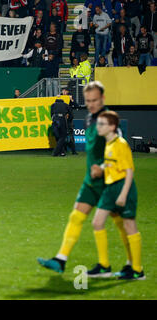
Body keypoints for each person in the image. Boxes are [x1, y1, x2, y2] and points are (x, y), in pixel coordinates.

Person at [38, 81, 132, 275]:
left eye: (94, 100)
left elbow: (118, 150)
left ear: (102, 99)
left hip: (110, 179)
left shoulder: (108, 120)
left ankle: (132, 265)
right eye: (88, 100)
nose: (90, 103)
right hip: (93, 180)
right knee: (77, 216)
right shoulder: (91, 119)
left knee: (121, 223)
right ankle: (61, 259)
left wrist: (105, 167)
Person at [88, 110, 144, 280]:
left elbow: (129, 171)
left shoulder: (121, 144)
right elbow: (111, 162)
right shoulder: (109, 144)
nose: (98, 127)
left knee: (129, 227)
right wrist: (101, 169)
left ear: (112, 126)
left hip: (122, 187)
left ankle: (137, 269)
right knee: (97, 223)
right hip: (110, 188)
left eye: (102, 124)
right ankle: (104, 266)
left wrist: (123, 194)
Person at [61, 87, 78, 155]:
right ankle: (63, 150)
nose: (65, 92)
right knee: (62, 135)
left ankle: (73, 151)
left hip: (69, 120)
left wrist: (71, 100)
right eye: (64, 91)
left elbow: (77, 106)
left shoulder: (70, 98)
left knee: (71, 135)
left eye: (66, 91)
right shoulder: (59, 97)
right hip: (62, 120)